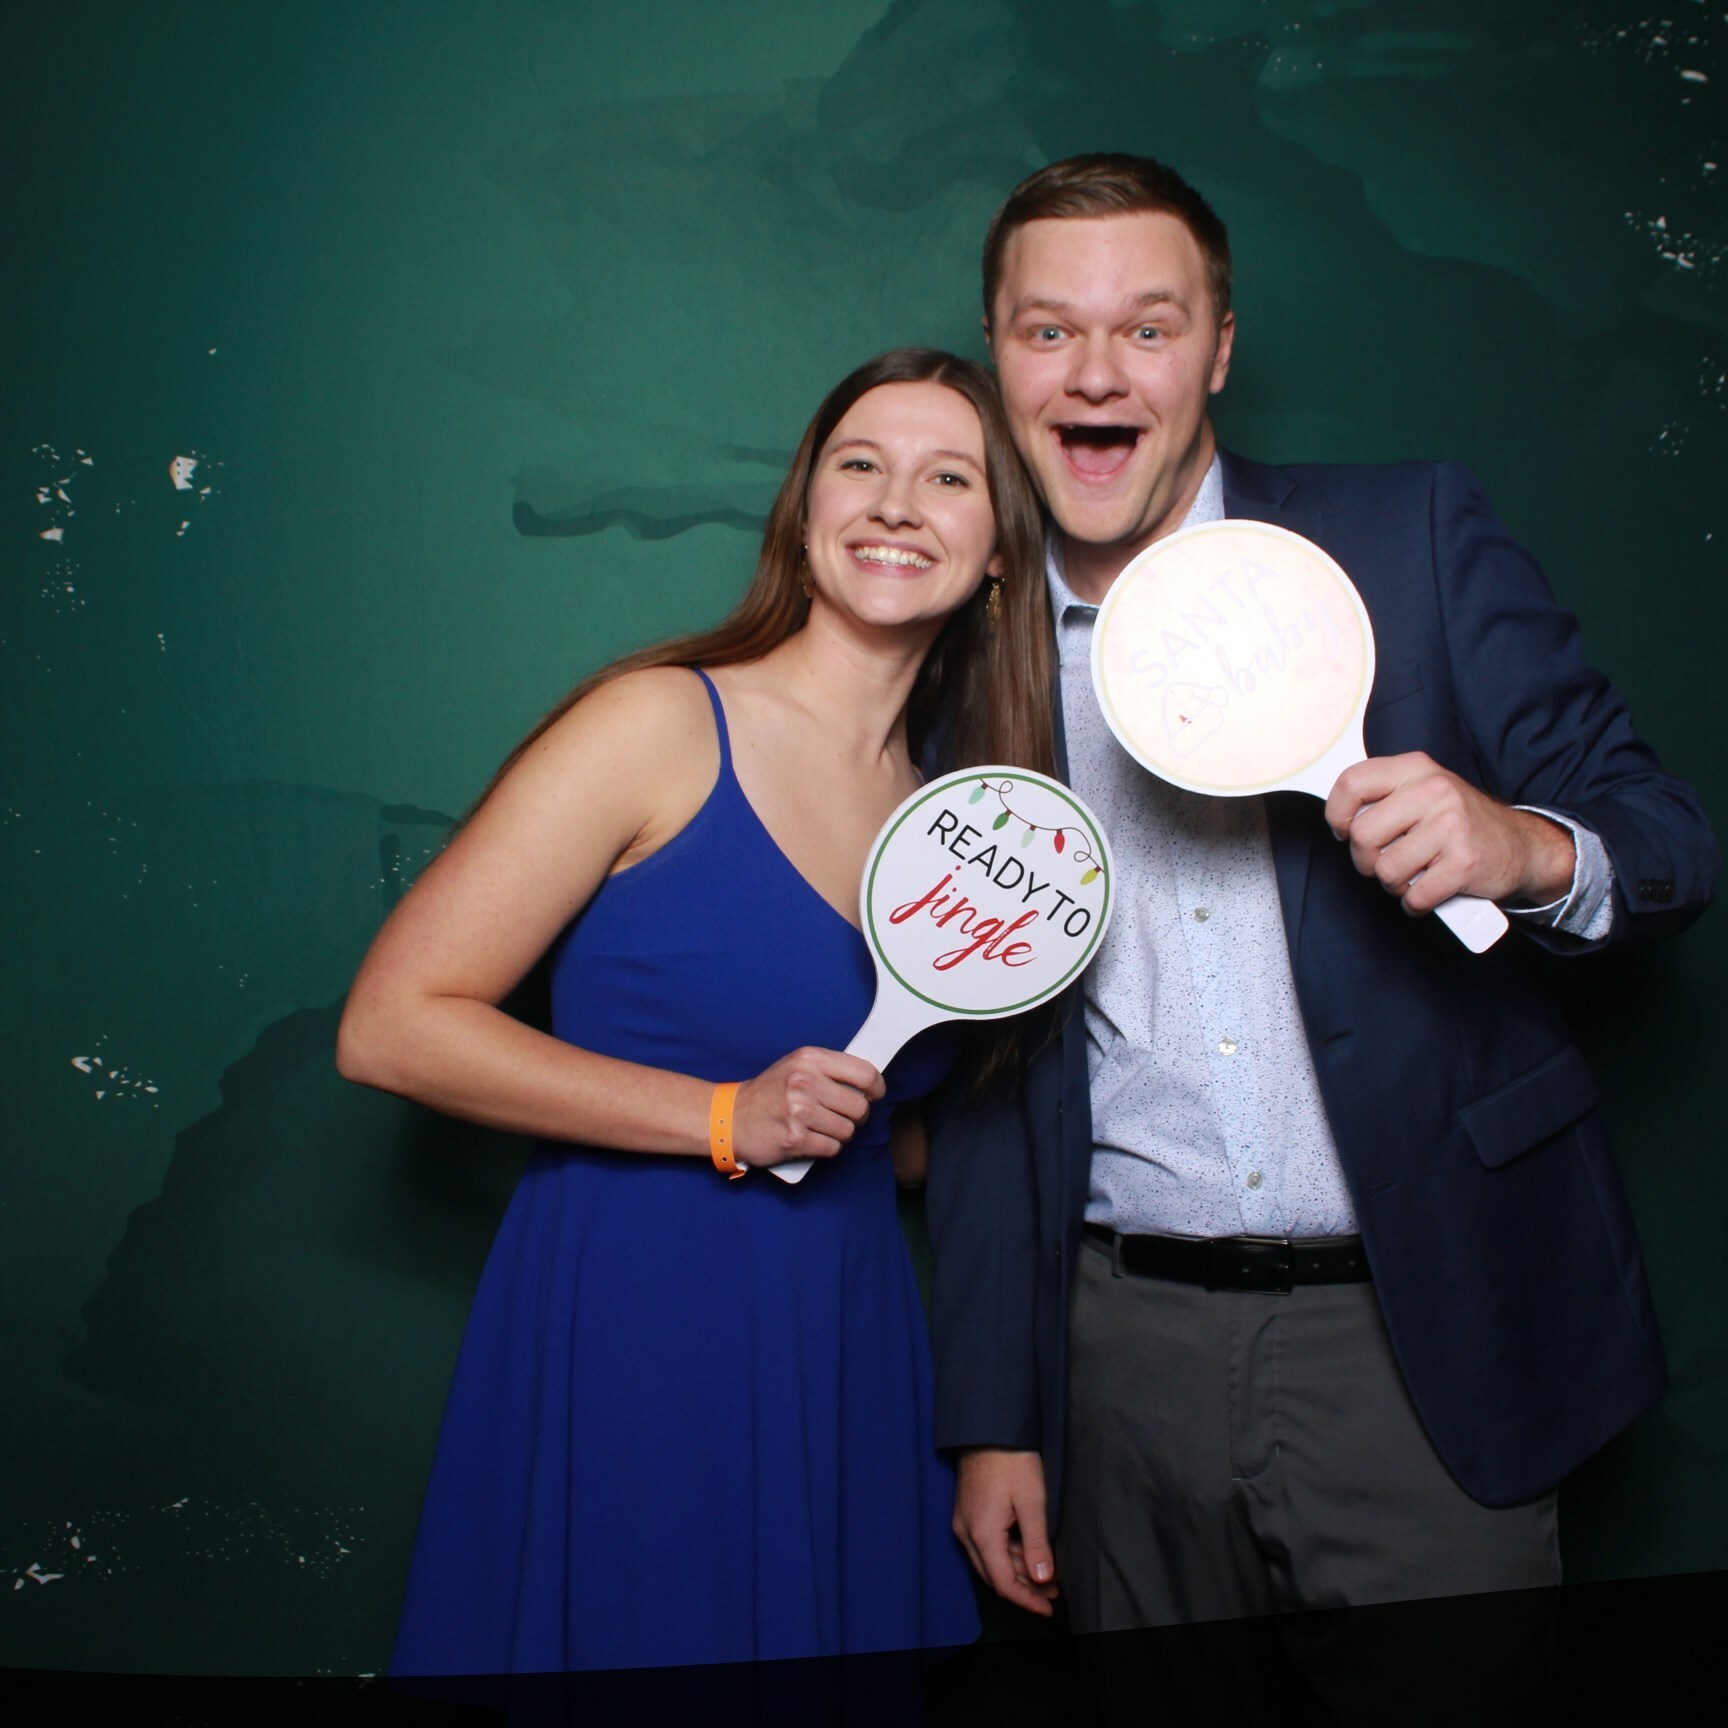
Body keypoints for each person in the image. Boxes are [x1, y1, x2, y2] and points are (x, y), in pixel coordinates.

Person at [925, 155, 1718, 1717]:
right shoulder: (964, 665)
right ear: (1000, 357)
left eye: (1149, 328)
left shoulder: (1410, 534)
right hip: (1124, 1356)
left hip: (1427, 1330)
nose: (1097, 373)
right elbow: (987, 1078)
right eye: (1049, 330)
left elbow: (1669, 837)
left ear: (1219, 349)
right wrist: (994, 1416)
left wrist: (1523, 845)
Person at [337, 347, 1056, 1676]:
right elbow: (392, 1024)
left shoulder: (961, 824)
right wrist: (726, 1115)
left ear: (1003, 549)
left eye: (950, 479)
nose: (897, 504)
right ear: (806, 509)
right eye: (860, 465)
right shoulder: (657, 726)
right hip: (643, 1313)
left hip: (842, 1328)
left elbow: (901, 1135)